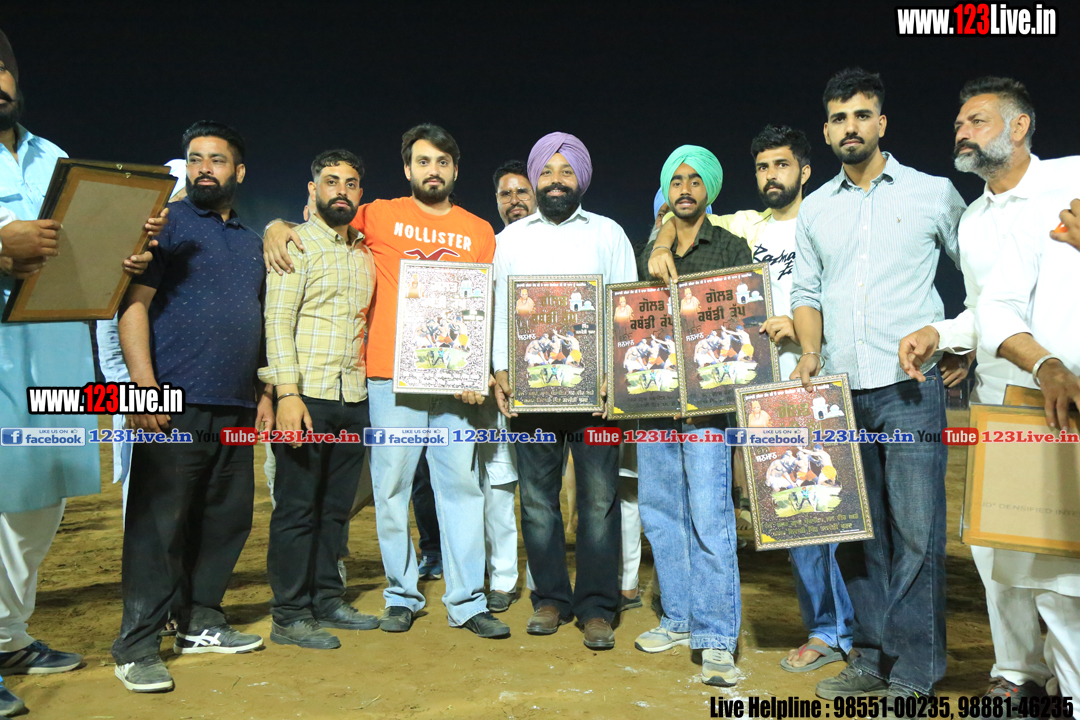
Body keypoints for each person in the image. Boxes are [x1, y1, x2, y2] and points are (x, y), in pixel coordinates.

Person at [264, 124, 509, 639]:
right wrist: (274, 225)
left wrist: (477, 369)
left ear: (455, 170)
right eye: (423, 161)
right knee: (391, 489)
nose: (432, 171)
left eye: (442, 162)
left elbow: (482, 305)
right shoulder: (377, 214)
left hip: (454, 385)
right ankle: (402, 595)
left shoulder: (479, 230)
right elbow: (319, 220)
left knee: (462, 489)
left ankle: (467, 600)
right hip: (388, 378)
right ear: (407, 168)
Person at [897, 76, 1080, 706]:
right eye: (959, 124)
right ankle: (1017, 674)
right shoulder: (972, 221)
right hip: (1003, 400)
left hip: (1068, 403)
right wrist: (941, 332)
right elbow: (987, 310)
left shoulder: (1071, 180)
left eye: (976, 121)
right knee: (995, 546)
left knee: (1061, 557)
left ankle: (1067, 687)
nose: (962, 132)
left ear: (1019, 126)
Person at [789, 68, 966, 701]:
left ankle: (914, 672)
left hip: (909, 387)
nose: (850, 127)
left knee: (917, 531)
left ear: (881, 122)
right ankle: (869, 656)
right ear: (826, 130)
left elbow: (977, 272)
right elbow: (806, 292)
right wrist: (811, 353)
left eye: (861, 115)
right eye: (838, 118)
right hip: (839, 390)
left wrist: (962, 342)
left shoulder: (932, 193)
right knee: (853, 528)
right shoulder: (816, 209)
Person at [0, 31, 162, 714]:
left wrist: (126, 255)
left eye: (2, 67)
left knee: (38, 504)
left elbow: (83, 248)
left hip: (56, 350)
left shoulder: (53, 156)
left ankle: (8, 637)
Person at [112, 121, 273, 693]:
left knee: (225, 520)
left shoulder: (252, 242)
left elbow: (259, 321)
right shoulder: (166, 225)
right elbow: (132, 305)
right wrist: (142, 386)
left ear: (239, 172)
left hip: (235, 404)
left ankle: (200, 620)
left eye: (217, 159)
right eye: (196, 158)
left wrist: (264, 393)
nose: (205, 168)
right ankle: (136, 646)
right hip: (173, 401)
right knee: (158, 526)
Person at [492, 132, 636, 650]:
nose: (556, 181)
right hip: (530, 397)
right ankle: (550, 598)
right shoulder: (509, 240)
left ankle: (597, 607)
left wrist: (616, 374)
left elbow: (625, 307)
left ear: (581, 179)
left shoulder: (608, 233)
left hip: (596, 397)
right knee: (537, 501)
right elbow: (497, 310)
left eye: (566, 171)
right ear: (535, 179)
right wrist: (499, 369)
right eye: (547, 172)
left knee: (599, 501)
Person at [635, 145, 750, 687]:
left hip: (708, 406)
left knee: (710, 515)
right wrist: (659, 239)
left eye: (695, 180)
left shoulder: (729, 245)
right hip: (654, 402)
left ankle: (717, 636)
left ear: (710, 189)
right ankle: (679, 618)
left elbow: (742, 319)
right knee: (661, 512)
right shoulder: (648, 249)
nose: (685, 189)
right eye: (676, 180)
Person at [260, 150, 380, 649]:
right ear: (313, 190)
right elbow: (276, 322)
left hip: (352, 397)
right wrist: (286, 393)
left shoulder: (363, 253)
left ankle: (328, 599)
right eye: (331, 182)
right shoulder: (296, 244)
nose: (341, 191)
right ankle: (289, 614)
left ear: (360, 193)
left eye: (350, 184)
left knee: (335, 509)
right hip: (305, 397)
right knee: (296, 509)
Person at [975, 186, 1080, 714]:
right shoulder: (1048, 210)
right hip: (1053, 418)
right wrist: (1046, 365)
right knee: (1062, 588)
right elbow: (992, 306)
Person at [494, 159, 536, 226]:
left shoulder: (553, 232)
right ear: (497, 199)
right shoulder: (487, 232)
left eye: (521, 192)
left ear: (535, 195)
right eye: (506, 194)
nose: (514, 201)